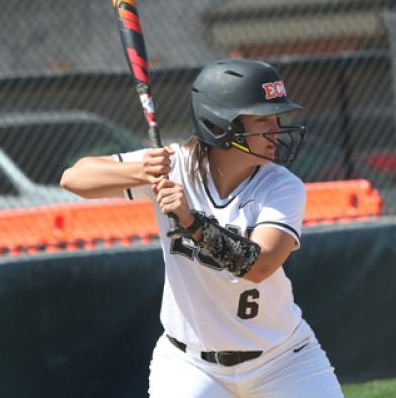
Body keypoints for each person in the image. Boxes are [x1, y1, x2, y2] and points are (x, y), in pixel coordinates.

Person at [60, 58, 343, 398]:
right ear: (222, 125)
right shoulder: (174, 166)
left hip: (282, 360)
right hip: (190, 365)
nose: (276, 130)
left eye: (277, 118)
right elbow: (74, 178)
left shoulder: (281, 186)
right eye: (263, 119)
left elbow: (259, 265)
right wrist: (141, 172)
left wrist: (190, 220)